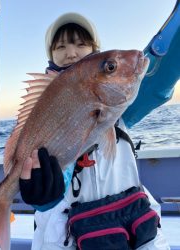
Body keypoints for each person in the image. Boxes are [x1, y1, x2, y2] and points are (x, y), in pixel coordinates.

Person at [19, 13, 171, 250]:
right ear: (51, 56)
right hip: (66, 237)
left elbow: (161, 80)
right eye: (61, 47)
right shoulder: (44, 108)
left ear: (94, 50)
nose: (71, 53)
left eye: (81, 44)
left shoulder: (121, 105)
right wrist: (43, 197)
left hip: (133, 230)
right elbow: (48, 179)